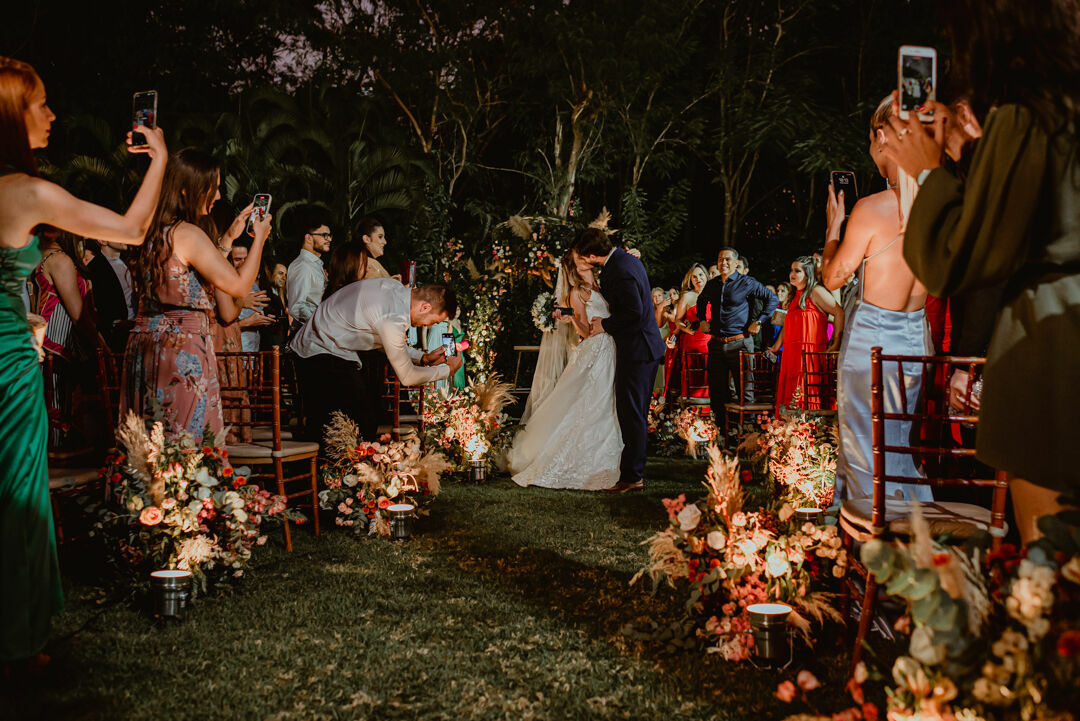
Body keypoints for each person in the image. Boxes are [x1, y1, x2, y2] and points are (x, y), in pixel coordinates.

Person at [887, 0, 1080, 542]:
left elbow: (955, 258)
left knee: (1054, 568)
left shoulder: (1033, 114)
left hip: (1055, 352)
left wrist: (928, 169)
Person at [0, 56, 166, 670]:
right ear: (12, 116)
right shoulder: (27, 193)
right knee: (16, 493)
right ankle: (17, 639)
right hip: (8, 364)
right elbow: (131, 227)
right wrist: (160, 159)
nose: (51, 114)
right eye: (40, 104)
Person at [821, 96, 931, 503]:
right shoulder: (936, 208)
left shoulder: (872, 209)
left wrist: (834, 226)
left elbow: (832, 277)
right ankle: (913, 533)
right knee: (899, 442)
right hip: (915, 339)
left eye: (871, 139)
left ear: (882, 137)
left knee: (863, 444)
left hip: (872, 339)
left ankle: (867, 542)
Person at [124, 148, 270, 439]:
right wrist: (260, 239)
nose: (217, 196)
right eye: (212, 188)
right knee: (185, 439)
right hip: (182, 349)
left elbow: (190, 276)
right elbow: (239, 286)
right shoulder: (188, 233)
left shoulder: (152, 231)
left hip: (147, 345)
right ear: (188, 189)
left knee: (152, 441)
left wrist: (227, 238)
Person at [291, 280, 461, 441]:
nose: (429, 326)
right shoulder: (393, 317)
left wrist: (422, 358)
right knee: (358, 421)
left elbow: (387, 342)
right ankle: (338, 468)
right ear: (425, 307)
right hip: (318, 351)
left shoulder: (393, 288)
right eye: (434, 321)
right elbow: (408, 376)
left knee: (354, 420)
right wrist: (448, 370)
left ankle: (335, 467)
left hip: (325, 347)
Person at [509, 251, 624, 490]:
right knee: (593, 404)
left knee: (606, 403)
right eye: (582, 261)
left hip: (610, 348)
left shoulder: (603, 286)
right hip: (596, 350)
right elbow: (584, 331)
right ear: (575, 268)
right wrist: (571, 319)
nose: (587, 262)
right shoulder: (576, 293)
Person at [575, 228, 666, 493]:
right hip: (643, 347)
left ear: (593, 255)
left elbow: (634, 313)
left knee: (632, 413)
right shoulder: (627, 260)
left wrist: (605, 324)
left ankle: (632, 476)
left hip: (638, 350)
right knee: (632, 411)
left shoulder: (620, 270)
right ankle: (632, 471)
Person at [33, 228, 99, 451]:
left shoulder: (44, 256)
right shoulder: (59, 259)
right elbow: (77, 313)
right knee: (58, 410)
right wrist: (100, 343)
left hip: (54, 344)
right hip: (58, 346)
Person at [695, 247, 778, 417]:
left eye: (727, 259)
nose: (723, 263)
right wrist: (702, 319)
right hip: (717, 343)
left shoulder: (747, 282)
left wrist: (759, 321)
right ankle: (720, 432)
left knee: (744, 390)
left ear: (735, 262)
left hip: (740, 342)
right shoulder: (712, 284)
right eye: (720, 259)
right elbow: (701, 300)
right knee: (717, 390)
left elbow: (772, 299)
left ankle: (746, 433)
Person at [769, 256, 844, 414]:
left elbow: (838, 312)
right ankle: (789, 434)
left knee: (807, 391)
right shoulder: (794, 295)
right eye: (791, 270)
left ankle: (807, 433)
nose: (792, 274)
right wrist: (776, 346)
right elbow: (787, 325)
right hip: (792, 353)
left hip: (810, 353)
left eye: (797, 271)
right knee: (791, 393)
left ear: (808, 274)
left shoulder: (816, 291)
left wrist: (836, 340)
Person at [664, 263, 711, 401]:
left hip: (711, 342)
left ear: (706, 276)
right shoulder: (687, 296)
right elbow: (678, 321)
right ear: (690, 280)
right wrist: (686, 329)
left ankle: (711, 416)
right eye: (694, 277)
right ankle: (690, 417)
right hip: (693, 341)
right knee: (692, 379)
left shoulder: (714, 293)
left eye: (701, 275)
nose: (698, 279)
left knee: (710, 378)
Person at [286, 211, 332, 334]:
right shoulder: (303, 265)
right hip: (308, 335)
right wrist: (323, 325)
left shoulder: (315, 264)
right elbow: (297, 307)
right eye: (324, 235)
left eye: (329, 235)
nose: (329, 239)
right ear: (308, 238)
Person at [86, 239, 135, 352]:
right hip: (116, 336)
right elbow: (97, 308)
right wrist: (116, 324)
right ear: (102, 240)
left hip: (135, 330)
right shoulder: (95, 268)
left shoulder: (129, 261)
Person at [229, 242, 273, 352]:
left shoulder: (252, 284)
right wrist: (246, 323)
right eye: (238, 259)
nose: (243, 263)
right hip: (233, 351)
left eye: (246, 259)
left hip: (254, 350)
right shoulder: (222, 285)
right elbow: (216, 329)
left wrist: (266, 318)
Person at [259, 257, 290, 351]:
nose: (284, 278)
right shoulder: (263, 295)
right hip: (268, 347)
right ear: (271, 273)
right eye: (280, 273)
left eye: (285, 275)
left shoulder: (281, 297)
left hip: (280, 346)